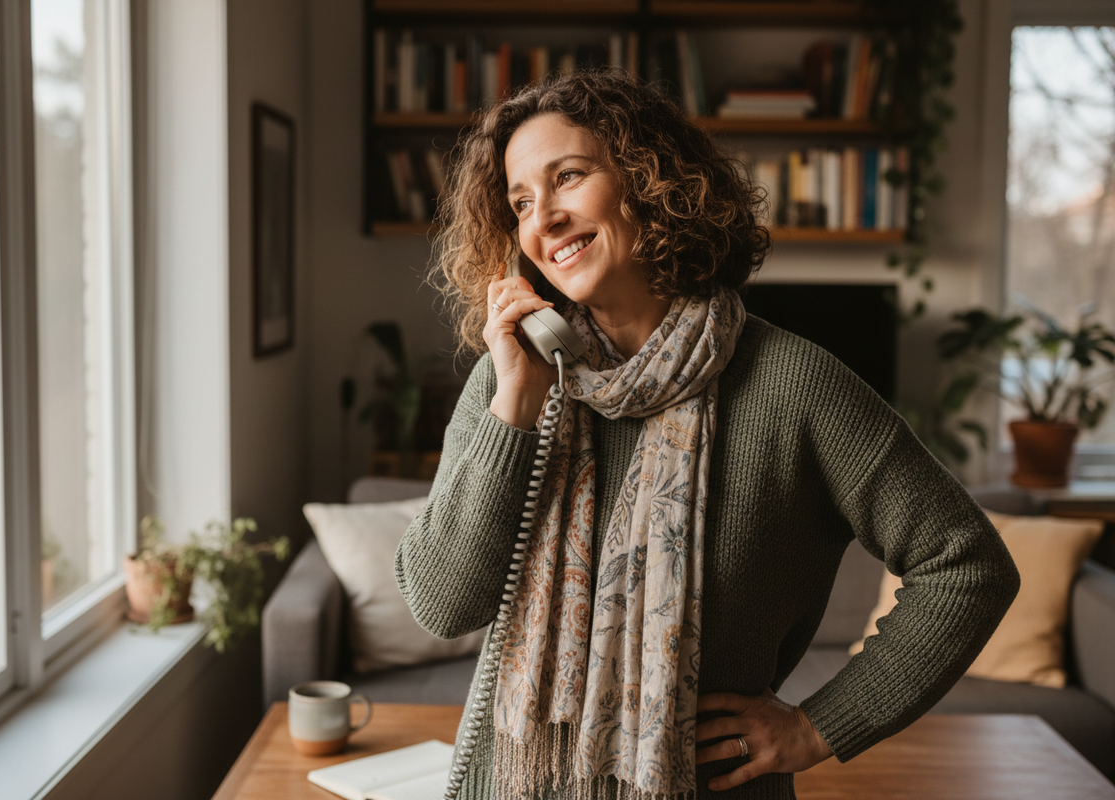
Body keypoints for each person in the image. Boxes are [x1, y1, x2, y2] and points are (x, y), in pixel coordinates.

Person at [394, 70, 1019, 800]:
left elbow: (968, 564)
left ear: (651, 180)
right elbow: (443, 605)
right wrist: (515, 408)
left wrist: (819, 728)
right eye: (521, 203)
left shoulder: (794, 386)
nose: (545, 219)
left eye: (568, 177)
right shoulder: (512, 377)